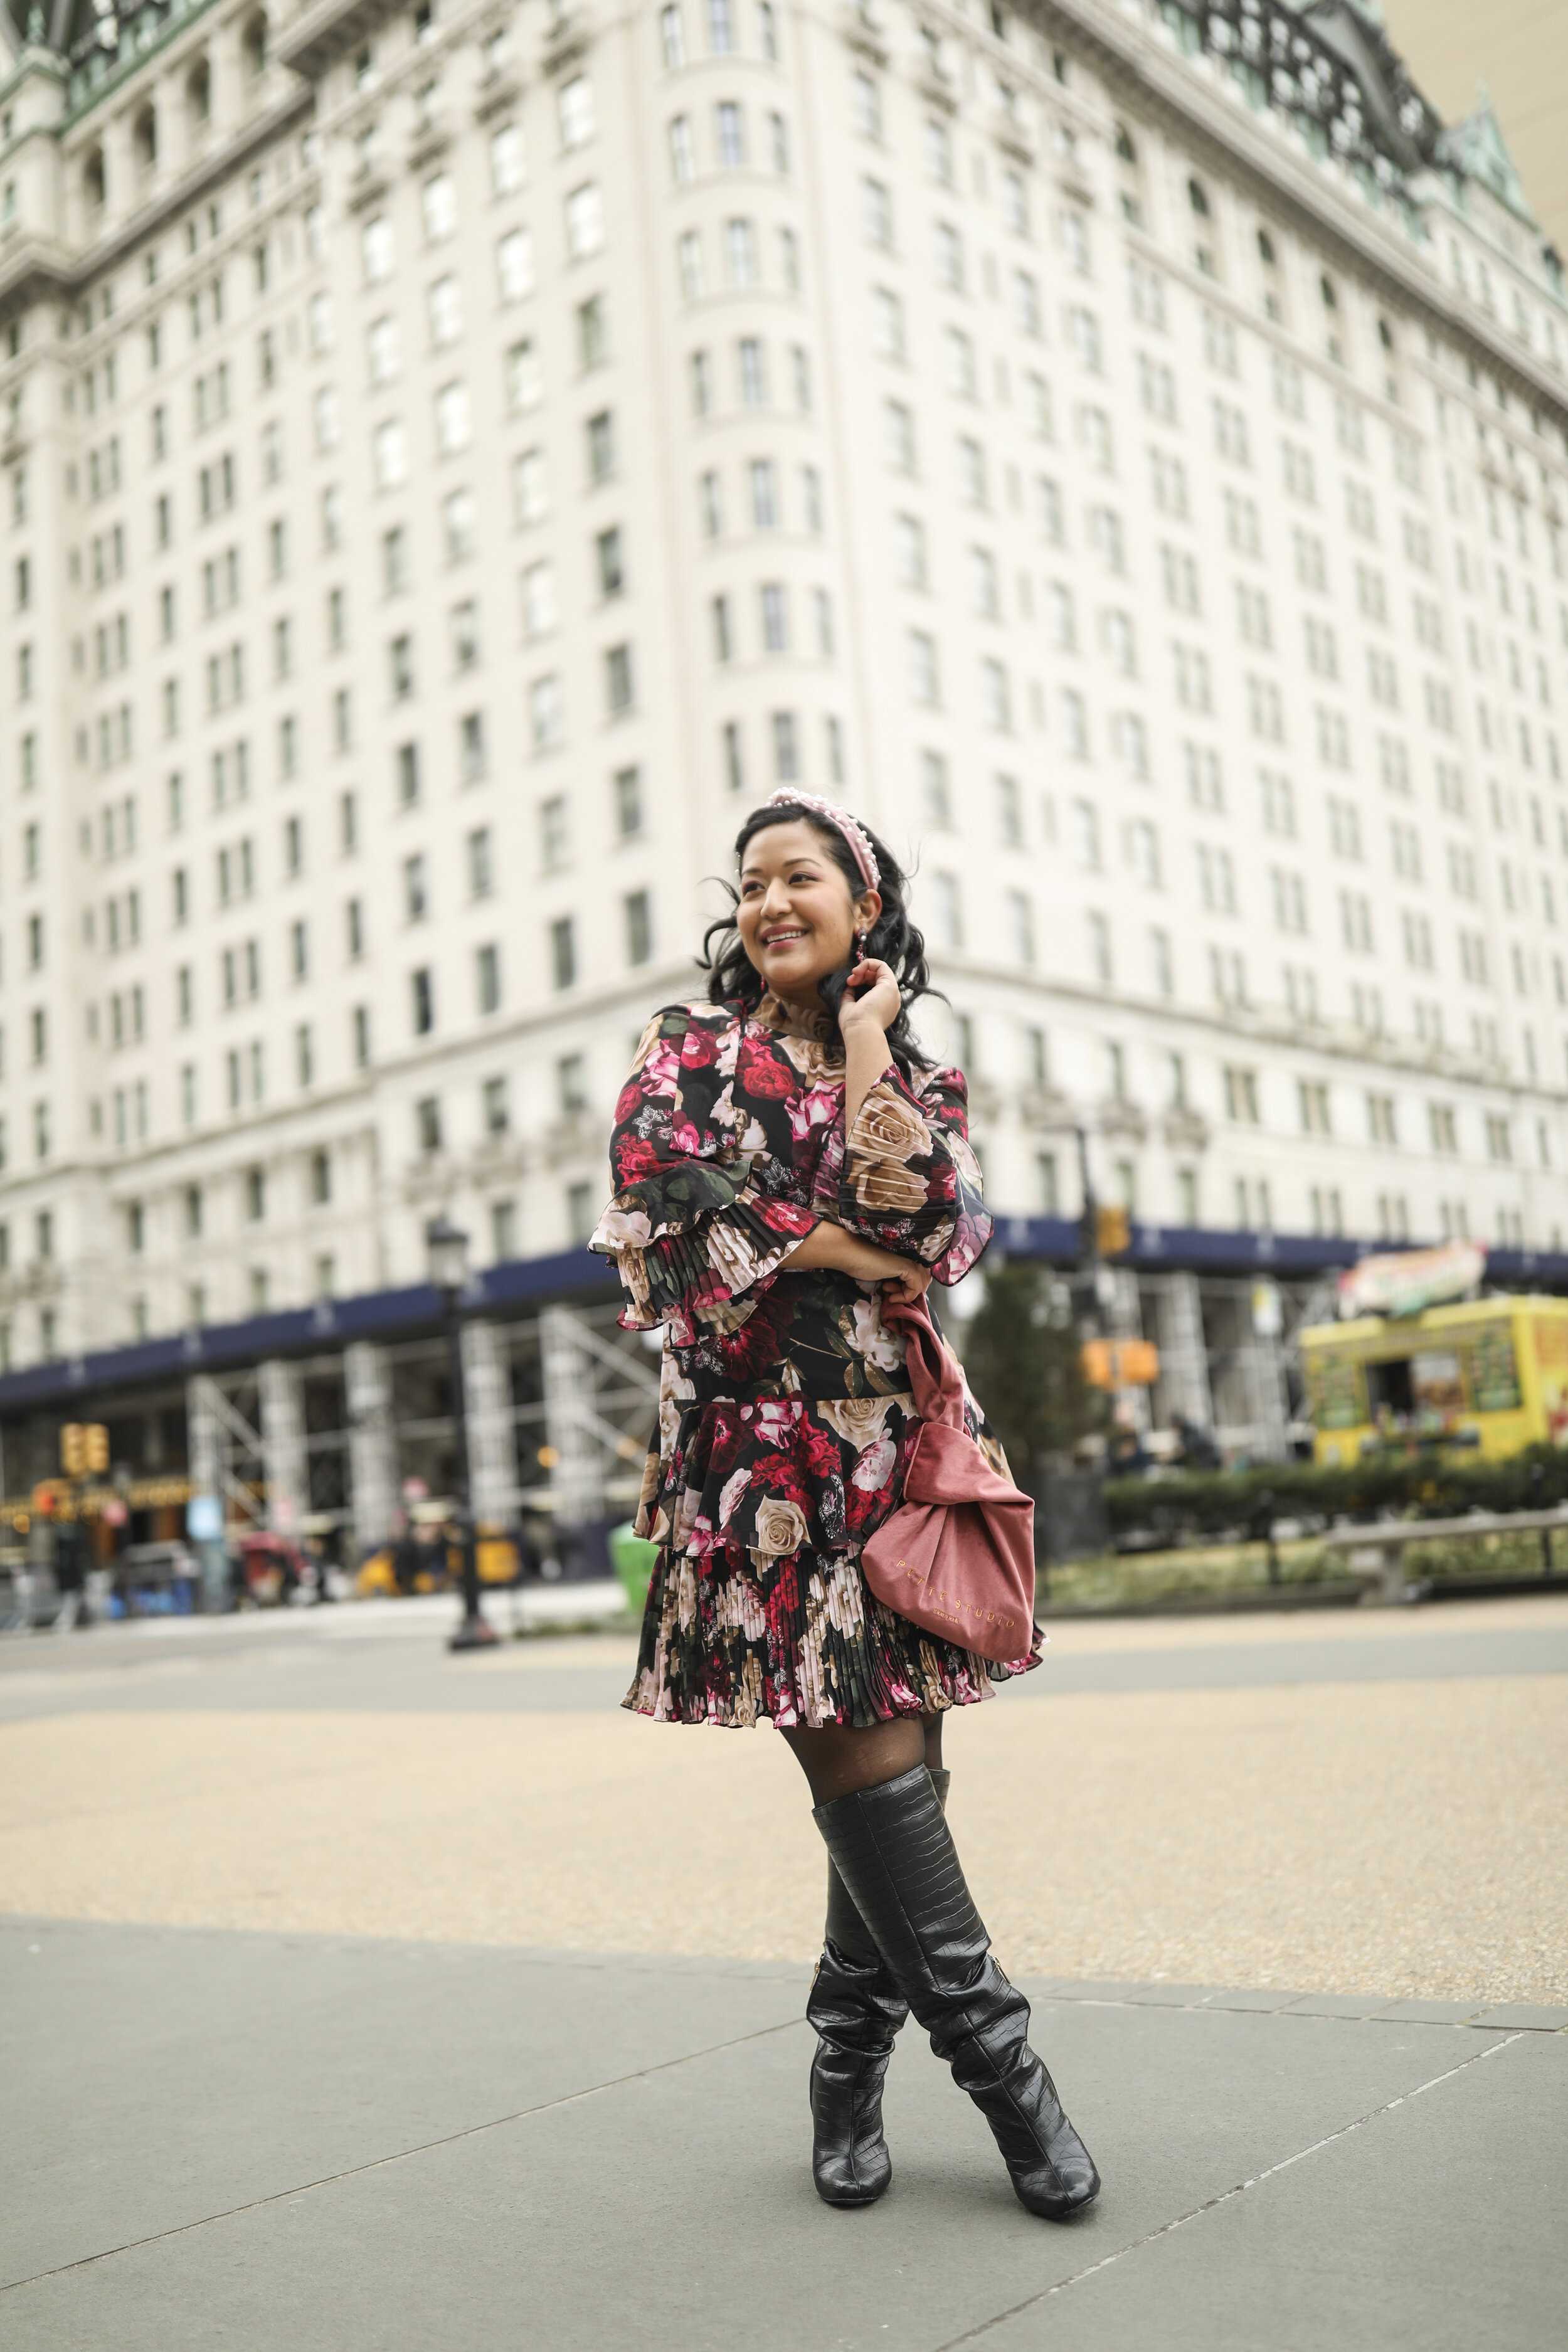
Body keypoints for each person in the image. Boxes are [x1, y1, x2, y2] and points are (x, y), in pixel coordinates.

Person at [591, 792, 1099, 2221]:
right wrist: (835, 1238)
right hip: (754, 1473)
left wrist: (867, 1057)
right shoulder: (686, 1050)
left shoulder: (911, 1070)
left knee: (891, 1788)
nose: (767, 903)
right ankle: (1010, 2083)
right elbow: (671, 1214)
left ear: (859, 907)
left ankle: (841, 2070)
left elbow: (936, 1230)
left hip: (889, 1463)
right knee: (869, 1776)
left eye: (798, 878)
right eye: (747, 882)